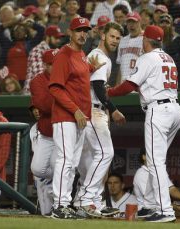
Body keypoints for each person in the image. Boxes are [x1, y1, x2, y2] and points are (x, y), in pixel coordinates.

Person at [107, 25, 180, 222]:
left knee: (155, 162)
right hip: (173, 110)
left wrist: (109, 92)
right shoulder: (168, 58)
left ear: (145, 40)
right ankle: (152, 205)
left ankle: (165, 210)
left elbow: (129, 85)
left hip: (158, 110)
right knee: (154, 162)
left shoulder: (147, 58)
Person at [48, 17, 103, 219]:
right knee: (65, 160)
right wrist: (75, 110)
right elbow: (55, 87)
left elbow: (77, 77)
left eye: (85, 30)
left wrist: (91, 68)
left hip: (80, 117)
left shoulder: (81, 54)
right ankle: (59, 204)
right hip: (66, 116)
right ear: (70, 32)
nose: (82, 34)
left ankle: (65, 202)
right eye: (79, 30)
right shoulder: (64, 54)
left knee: (72, 162)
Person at [73, 22, 126, 218]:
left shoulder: (95, 55)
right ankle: (85, 199)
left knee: (89, 161)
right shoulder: (100, 56)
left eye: (118, 38)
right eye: (112, 36)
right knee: (106, 153)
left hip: (89, 110)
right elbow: (97, 86)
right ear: (103, 36)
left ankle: (93, 202)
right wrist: (113, 110)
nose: (115, 40)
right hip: (93, 111)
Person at [29, 49, 59, 215]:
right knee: (37, 169)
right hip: (47, 132)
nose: (55, 67)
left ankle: (62, 188)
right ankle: (64, 177)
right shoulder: (38, 81)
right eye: (52, 64)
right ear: (46, 64)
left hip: (63, 132)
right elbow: (44, 105)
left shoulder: (67, 77)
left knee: (58, 164)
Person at [133, 147, 180, 218]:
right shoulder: (142, 174)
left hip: (159, 211)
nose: (155, 157)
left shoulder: (159, 171)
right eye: (152, 155)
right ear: (144, 157)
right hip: (145, 213)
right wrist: (179, 208)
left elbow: (171, 189)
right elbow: (153, 201)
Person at [23, 25, 64, 94]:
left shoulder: (57, 52)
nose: (58, 40)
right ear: (47, 37)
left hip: (48, 92)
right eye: (56, 38)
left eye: (59, 38)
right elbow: (39, 75)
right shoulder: (37, 51)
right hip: (32, 95)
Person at [116, 11, 143, 84]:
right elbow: (120, 66)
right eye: (129, 22)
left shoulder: (145, 40)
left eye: (134, 22)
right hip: (124, 83)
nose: (131, 25)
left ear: (139, 22)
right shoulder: (122, 41)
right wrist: (117, 86)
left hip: (139, 83)